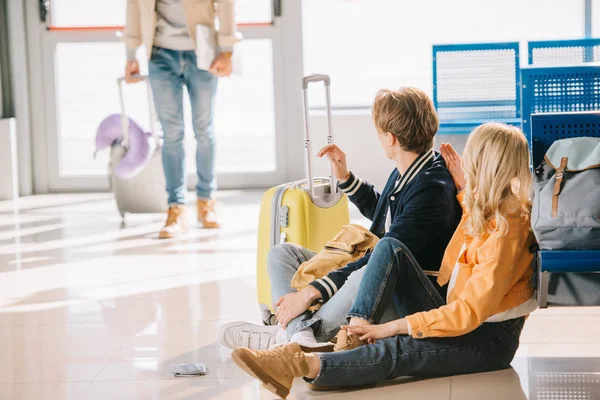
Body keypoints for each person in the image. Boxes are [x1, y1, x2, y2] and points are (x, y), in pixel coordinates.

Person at [230, 123, 539, 399]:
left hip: (487, 337)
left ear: (486, 167)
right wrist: (461, 187)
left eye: (471, 155)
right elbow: (476, 225)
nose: (464, 159)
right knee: (388, 247)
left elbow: (468, 314)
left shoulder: (507, 229)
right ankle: (315, 339)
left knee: (396, 350)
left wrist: (393, 328)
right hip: (458, 311)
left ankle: (298, 358)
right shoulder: (494, 206)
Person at [218, 87, 462, 351]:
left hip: (406, 298)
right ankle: (299, 336)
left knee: (362, 275)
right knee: (281, 254)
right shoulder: (416, 167)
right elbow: (391, 216)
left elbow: (383, 258)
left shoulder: (431, 190)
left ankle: (297, 335)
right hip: (383, 275)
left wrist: (311, 292)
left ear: (390, 138)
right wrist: (345, 177)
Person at [123, 0, 238, 238]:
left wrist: (227, 50)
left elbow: (226, 3)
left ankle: (206, 202)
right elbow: (134, 5)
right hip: (160, 54)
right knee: (171, 133)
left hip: (204, 51)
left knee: (203, 130)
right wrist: (131, 53)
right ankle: (176, 208)